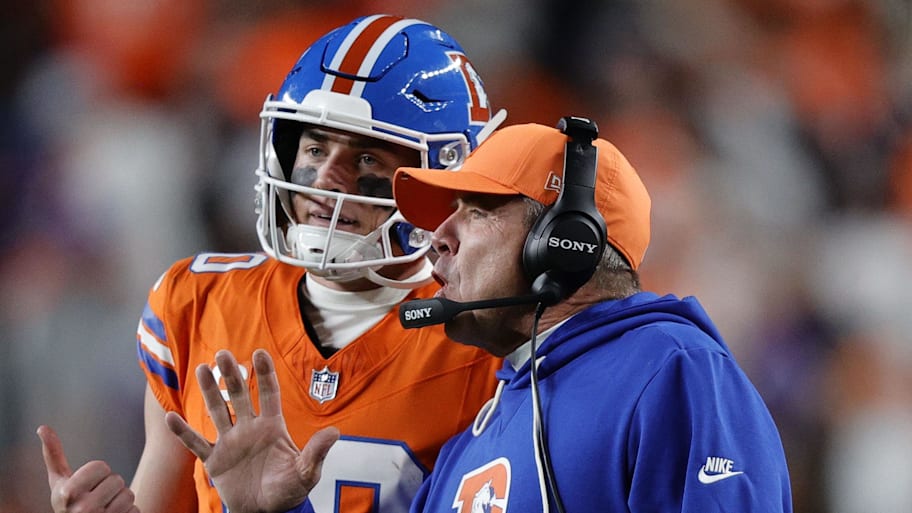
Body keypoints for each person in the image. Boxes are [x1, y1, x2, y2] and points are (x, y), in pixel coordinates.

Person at [164, 120, 794, 513]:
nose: (436, 236)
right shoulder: (478, 433)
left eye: (477, 210)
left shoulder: (669, 369)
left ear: (563, 239)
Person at [37, 14, 506, 513]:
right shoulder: (198, 303)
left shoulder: (488, 334)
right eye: (315, 146)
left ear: (443, 182)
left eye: (367, 159)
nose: (325, 178)